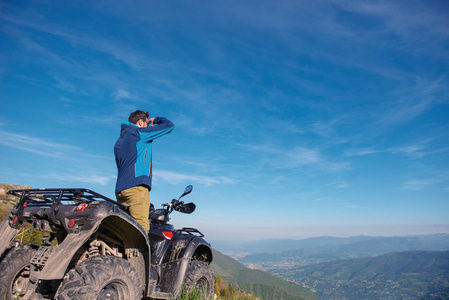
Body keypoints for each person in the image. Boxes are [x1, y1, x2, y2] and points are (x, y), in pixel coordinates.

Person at [114, 110, 174, 232]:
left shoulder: (119, 142)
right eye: (146, 123)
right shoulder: (140, 133)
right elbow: (169, 125)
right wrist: (155, 120)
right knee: (140, 230)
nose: (148, 126)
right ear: (141, 122)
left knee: (124, 230)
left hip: (121, 191)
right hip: (137, 189)